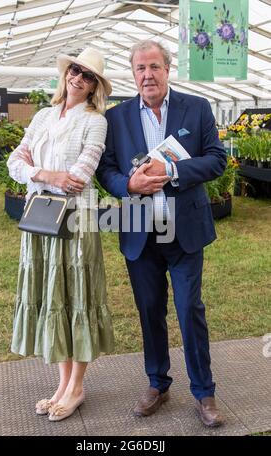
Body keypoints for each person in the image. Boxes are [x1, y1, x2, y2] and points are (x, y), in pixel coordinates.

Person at [96, 40, 227, 427]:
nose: (147, 75)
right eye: (140, 68)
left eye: (154, 66)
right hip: (140, 229)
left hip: (185, 229)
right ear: (133, 74)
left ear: (168, 69)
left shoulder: (196, 108)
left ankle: (204, 392)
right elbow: (106, 170)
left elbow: (216, 159)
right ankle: (157, 383)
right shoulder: (116, 117)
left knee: (189, 311)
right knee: (149, 311)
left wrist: (171, 173)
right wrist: (128, 186)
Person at [7, 47, 114, 422]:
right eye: (75, 70)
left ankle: (77, 387)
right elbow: (14, 163)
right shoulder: (42, 116)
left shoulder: (95, 121)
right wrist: (47, 175)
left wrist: (40, 174)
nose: (78, 78)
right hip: (40, 221)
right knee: (55, 296)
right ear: (66, 73)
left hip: (75, 222)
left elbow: (79, 178)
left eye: (87, 75)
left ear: (94, 86)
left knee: (77, 297)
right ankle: (63, 385)